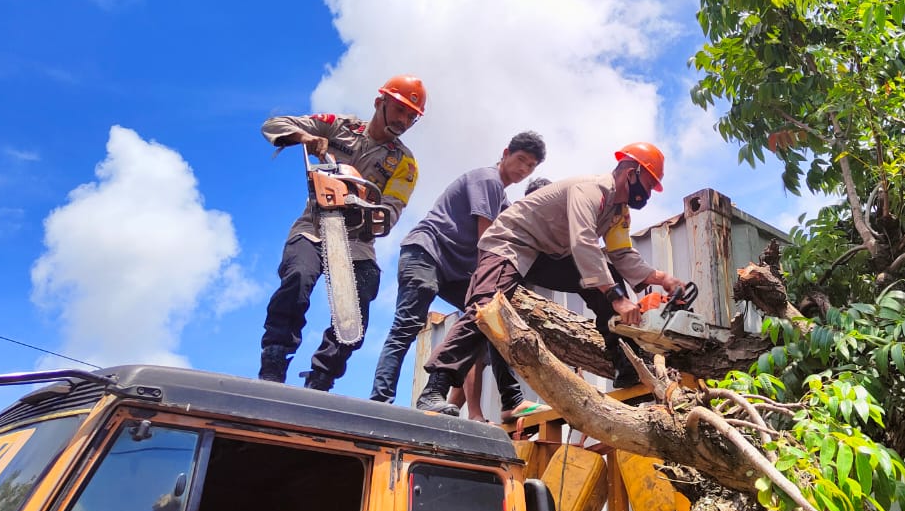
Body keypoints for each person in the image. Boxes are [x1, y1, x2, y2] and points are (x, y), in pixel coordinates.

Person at [414, 142, 688, 415]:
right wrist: (617, 299)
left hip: (548, 253)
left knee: (610, 275)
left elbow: (622, 254)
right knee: (486, 307)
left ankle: (623, 363)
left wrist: (661, 278)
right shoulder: (592, 190)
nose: (649, 193)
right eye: (649, 184)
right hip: (511, 241)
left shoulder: (619, 212)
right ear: (631, 172)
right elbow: (582, 242)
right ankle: (435, 388)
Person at [258, 75, 426, 391]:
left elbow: (390, 213)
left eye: (411, 116)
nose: (404, 120)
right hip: (313, 225)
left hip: (358, 240)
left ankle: (323, 376)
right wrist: (303, 137)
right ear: (381, 102)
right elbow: (273, 126)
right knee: (296, 279)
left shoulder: (405, 164)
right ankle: (274, 360)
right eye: (400, 110)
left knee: (358, 303)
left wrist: (362, 205)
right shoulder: (338, 126)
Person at [370, 131, 547, 411]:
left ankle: (508, 401)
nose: (523, 170)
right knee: (407, 325)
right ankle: (381, 401)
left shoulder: (501, 198)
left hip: (454, 270)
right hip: (426, 253)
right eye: (521, 160)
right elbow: (486, 241)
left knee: (488, 317)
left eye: (531, 166)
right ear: (505, 153)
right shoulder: (487, 179)